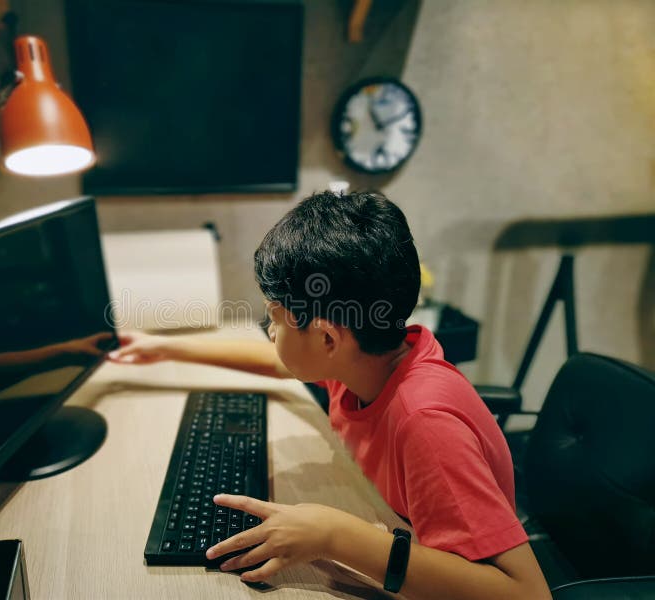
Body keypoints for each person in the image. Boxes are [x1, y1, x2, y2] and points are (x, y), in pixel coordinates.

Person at [109, 191, 551, 599]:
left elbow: (528, 594)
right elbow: (283, 362)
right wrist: (167, 347)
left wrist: (335, 536)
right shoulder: (367, 356)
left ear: (326, 339)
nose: (269, 331)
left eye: (274, 320)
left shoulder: (424, 423)